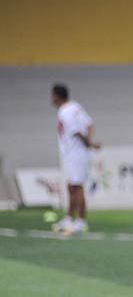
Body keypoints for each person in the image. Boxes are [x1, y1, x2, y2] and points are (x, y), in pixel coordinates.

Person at [50, 83, 100, 235]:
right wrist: (89, 142)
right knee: (71, 186)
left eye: (52, 95)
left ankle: (81, 222)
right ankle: (69, 219)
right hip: (73, 153)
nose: (51, 98)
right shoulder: (75, 106)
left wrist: (89, 144)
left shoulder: (65, 112)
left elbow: (77, 131)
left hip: (76, 154)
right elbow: (90, 124)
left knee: (77, 187)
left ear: (57, 96)